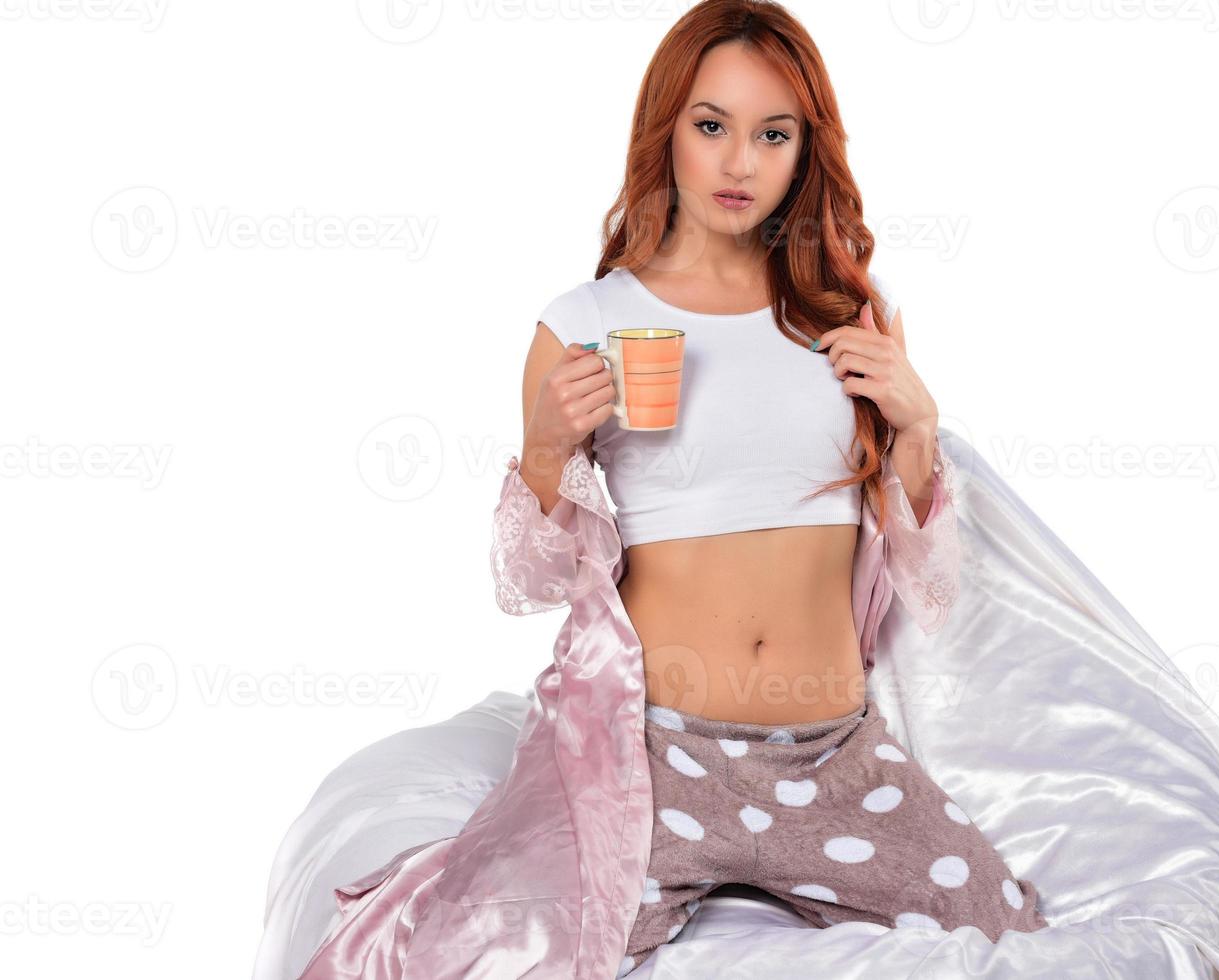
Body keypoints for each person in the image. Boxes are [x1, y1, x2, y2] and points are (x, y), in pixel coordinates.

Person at [295, 3, 1045, 976]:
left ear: (802, 150)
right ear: (667, 131)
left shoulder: (847, 314)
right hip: (647, 756)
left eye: (771, 133)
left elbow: (922, 574)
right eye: (711, 125)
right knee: (473, 950)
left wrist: (916, 427)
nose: (740, 160)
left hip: (831, 751)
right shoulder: (585, 320)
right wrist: (544, 446)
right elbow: (532, 575)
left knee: (1009, 932)